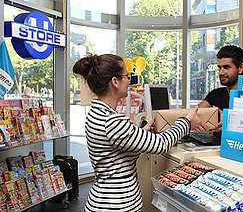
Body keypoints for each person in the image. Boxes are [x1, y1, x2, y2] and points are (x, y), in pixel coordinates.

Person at [72, 54, 203, 212]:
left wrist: (140, 133)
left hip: (102, 201)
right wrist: (187, 122)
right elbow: (160, 144)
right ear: (115, 81)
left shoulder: (96, 114)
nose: (129, 81)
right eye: (127, 76)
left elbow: (116, 149)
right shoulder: (112, 122)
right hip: (117, 205)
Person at [197, 45, 243, 143]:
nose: (221, 72)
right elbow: (195, 112)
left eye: (227, 67)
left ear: (240, 68)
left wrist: (229, 119)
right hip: (216, 151)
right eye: (219, 67)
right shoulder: (216, 94)